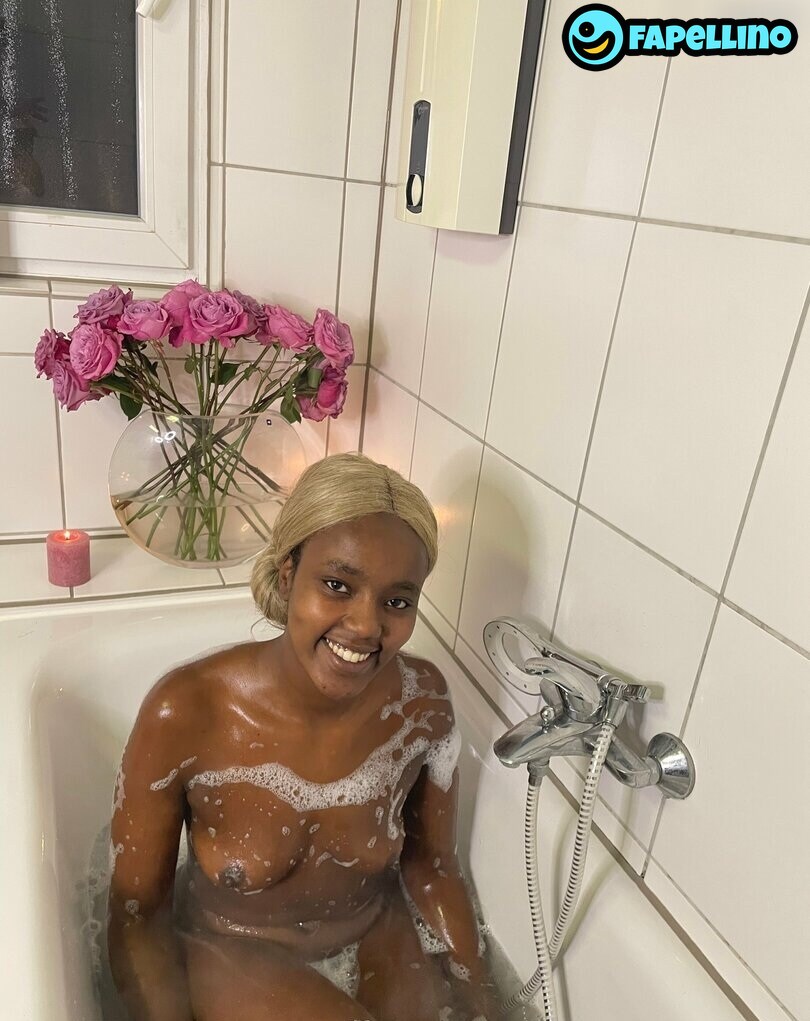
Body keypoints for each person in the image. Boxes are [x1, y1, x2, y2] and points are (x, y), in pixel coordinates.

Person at [107, 452, 504, 1021]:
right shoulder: (188, 711)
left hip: (375, 927)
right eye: (338, 585)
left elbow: (433, 868)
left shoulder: (421, 703)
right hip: (229, 945)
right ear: (287, 573)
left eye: (397, 601)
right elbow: (137, 915)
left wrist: (482, 996)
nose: (366, 626)